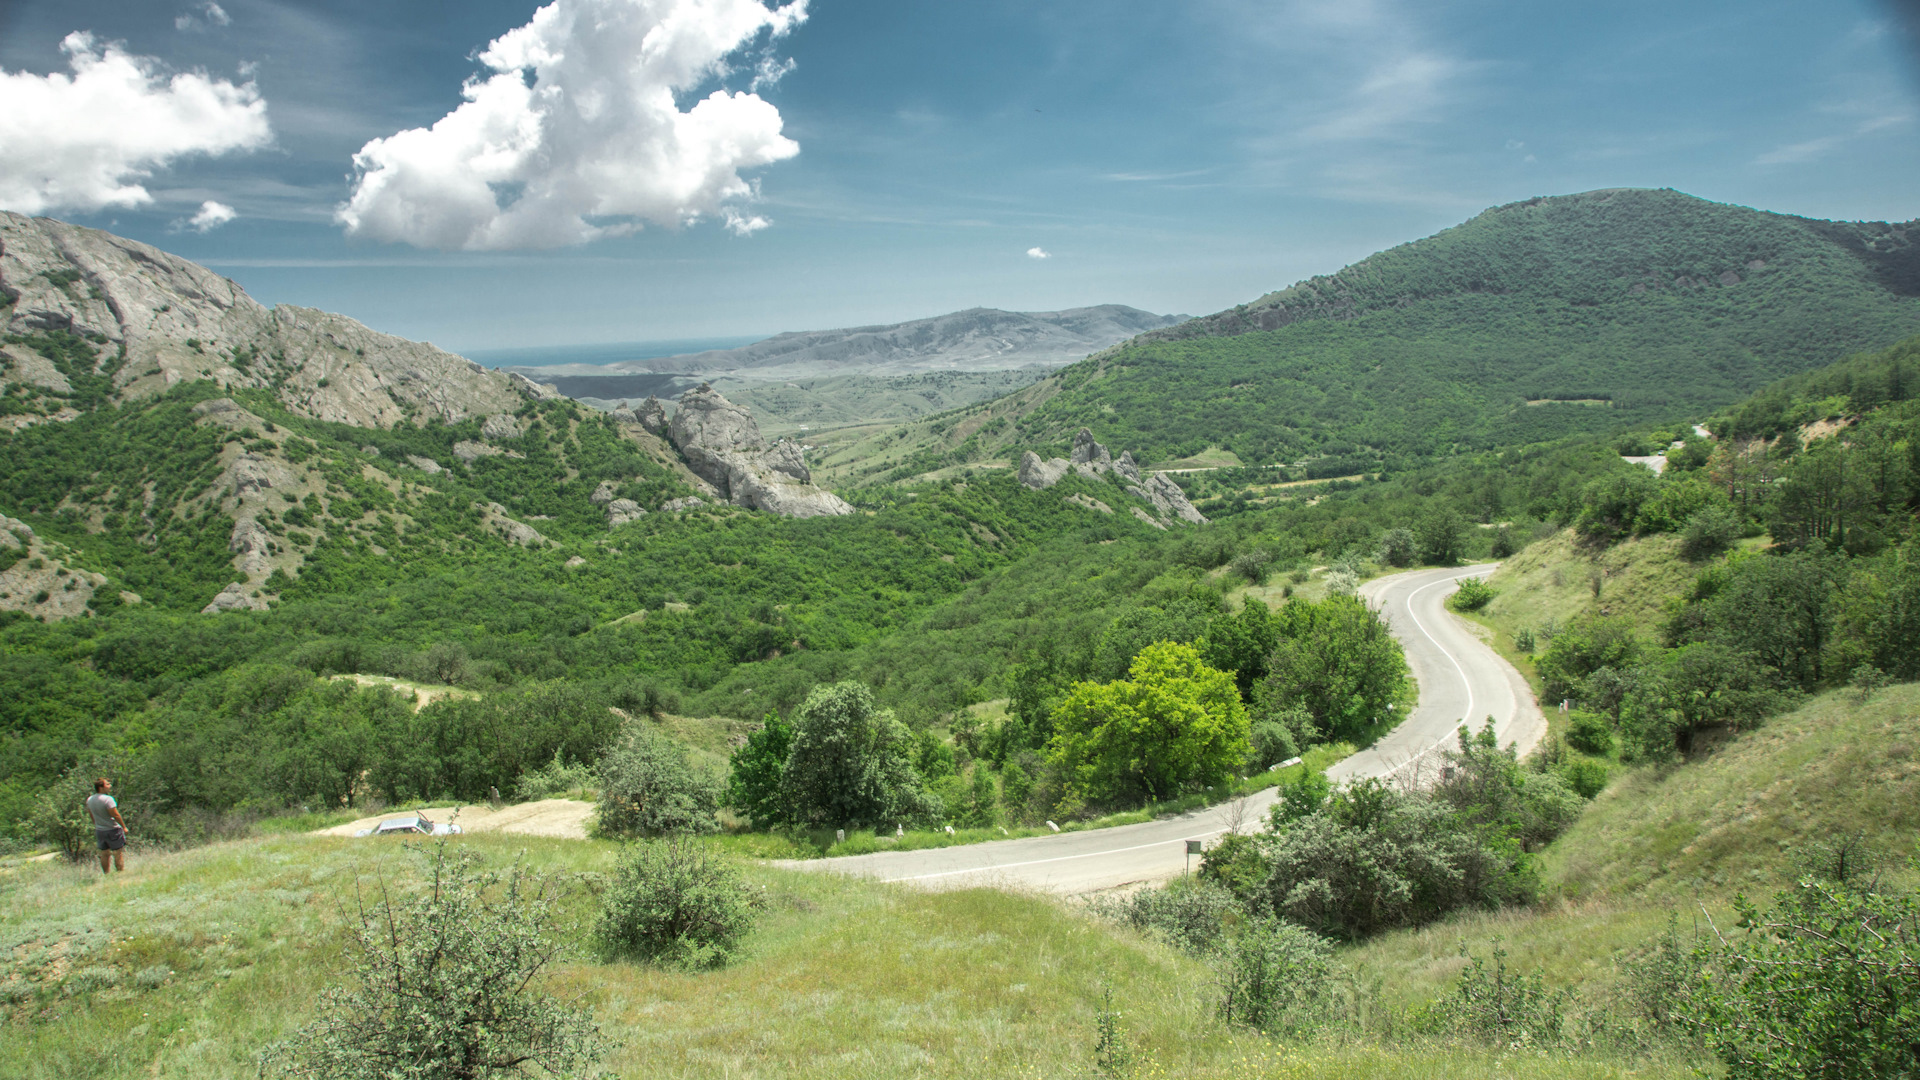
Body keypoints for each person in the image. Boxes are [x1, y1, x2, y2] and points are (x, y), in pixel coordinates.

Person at [85, 777, 129, 873]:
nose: (110, 786)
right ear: (101, 787)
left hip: (100, 830)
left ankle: (107, 874)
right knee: (118, 853)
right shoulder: (108, 799)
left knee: (104, 854)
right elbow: (115, 814)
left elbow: (91, 814)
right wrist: (124, 827)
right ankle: (120, 874)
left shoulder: (90, 799)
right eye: (107, 784)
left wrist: (96, 824)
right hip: (112, 829)